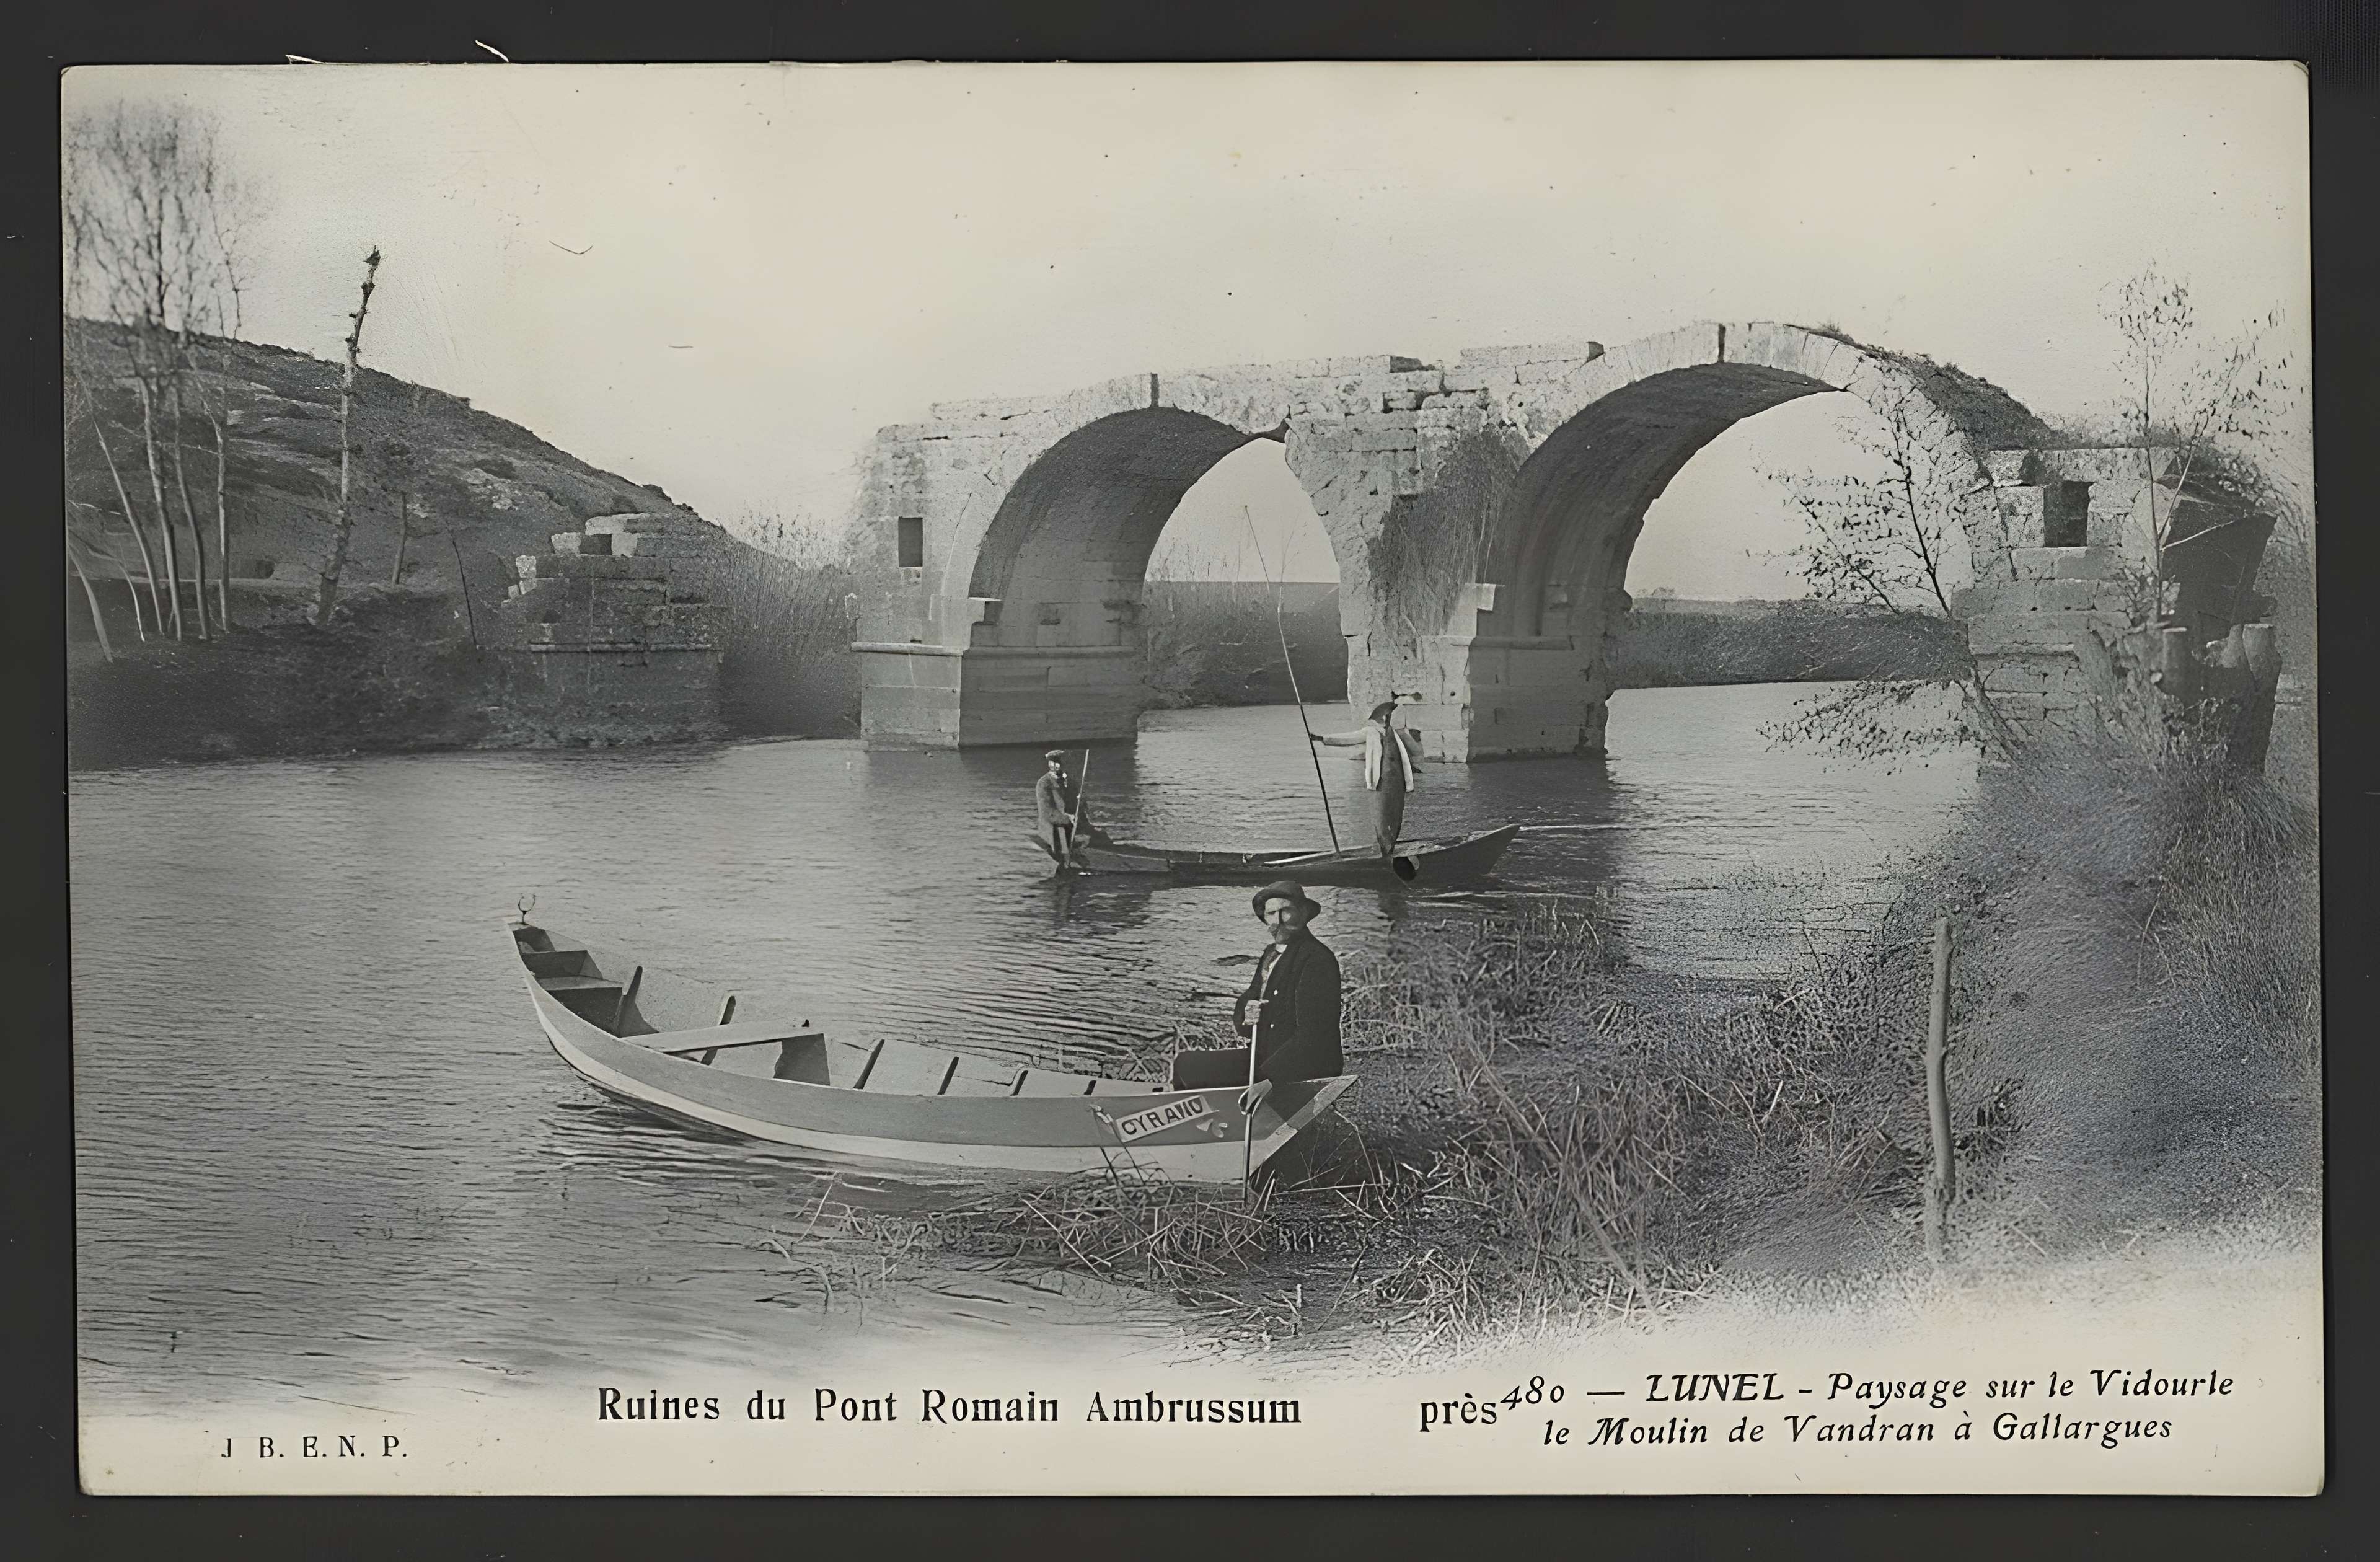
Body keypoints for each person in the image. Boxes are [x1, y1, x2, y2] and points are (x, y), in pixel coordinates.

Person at [1170, 880, 1343, 1101]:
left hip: (1300, 1067)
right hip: (1266, 1057)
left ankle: (1223, 1123)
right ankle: (1192, 1120)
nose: (1277, 921)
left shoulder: (1317, 959)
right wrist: (1247, 1015)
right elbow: (1249, 1000)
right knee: (1185, 1064)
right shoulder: (1271, 954)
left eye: (1286, 911)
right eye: (1271, 914)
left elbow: (1313, 1036)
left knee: (1195, 1072)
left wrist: (1268, 1082)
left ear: (1304, 913)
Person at [1312, 699, 1422, 859]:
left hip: (1397, 781)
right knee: (1381, 814)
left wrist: (1406, 735)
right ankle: (1384, 849)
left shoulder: (1399, 734)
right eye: (1385, 717)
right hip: (1380, 782)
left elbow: (1414, 753)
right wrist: (1322, 739)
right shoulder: (1371, 732)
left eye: (1389, 717)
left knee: (1396, 812)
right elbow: (1350, 738)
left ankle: (1391, 847)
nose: (1386, 720)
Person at [1034, 749, 1091, 873]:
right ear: (1050, 764)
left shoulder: (1071, 782)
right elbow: (1047, 812)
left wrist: (1081, 801)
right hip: (1055, 828)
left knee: (1094, 837)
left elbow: (1081, 807)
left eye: (1060, 763)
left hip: (1073, 826)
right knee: (1065, 853)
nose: (1058, 766)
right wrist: (1067, 818)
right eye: (1054, 763)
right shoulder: (1044, 784)